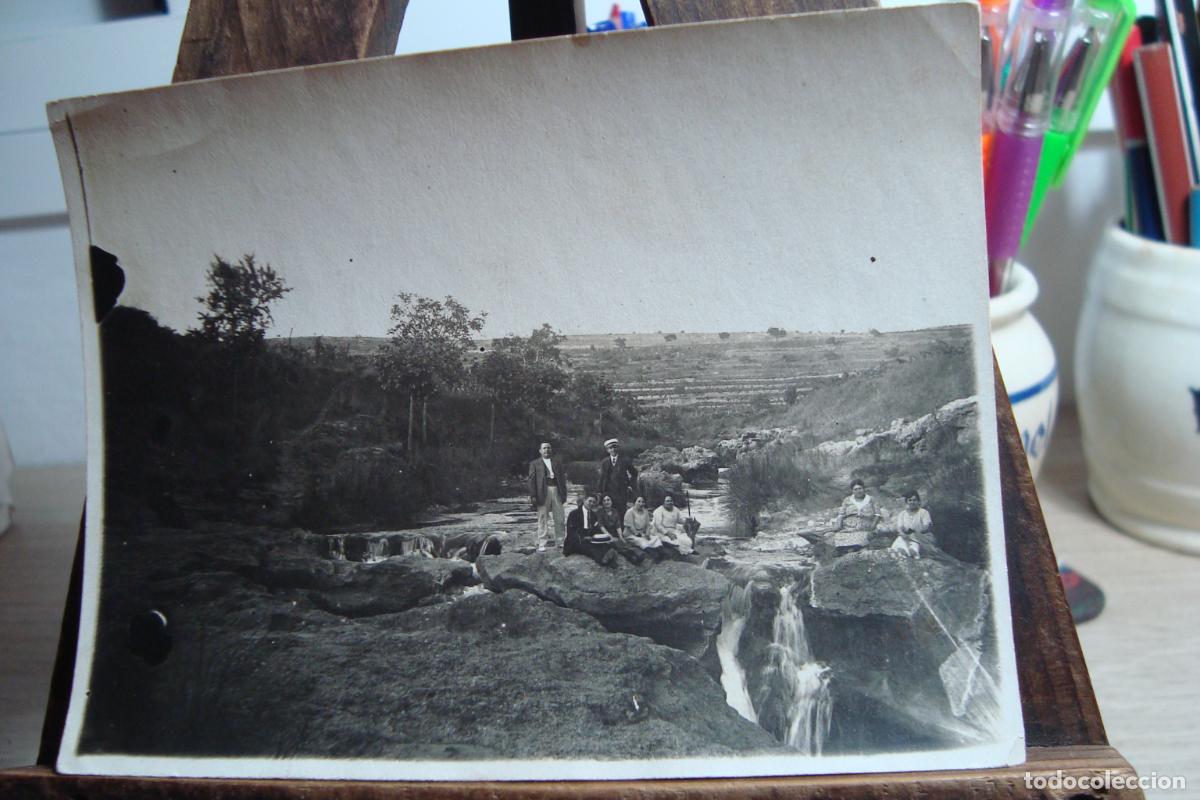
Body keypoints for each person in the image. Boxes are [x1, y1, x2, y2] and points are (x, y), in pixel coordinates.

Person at [527, 441, 567, 552]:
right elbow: (531, 480)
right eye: (544, 448)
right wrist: (533, 495)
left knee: (559, 518)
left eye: (548, 448)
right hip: (542, 492)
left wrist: (564, 494)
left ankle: (560, 542)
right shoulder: (535, 463)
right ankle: (542, 543)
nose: (547, 450)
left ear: (551, 450)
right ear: (540, 451)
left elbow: (562, 479)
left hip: (556, 490)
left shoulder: (557, 463)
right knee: (542, 518)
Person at [565, 495, 617, 566]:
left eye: (593, 502)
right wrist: (582, 538)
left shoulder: (593, 514)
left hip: (590, 537)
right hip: (577, 539)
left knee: (605, 544)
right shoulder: (574, 513)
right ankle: (602, 559)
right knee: (589, 547)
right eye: (590, 501)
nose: (591, 503)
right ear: (584, 500)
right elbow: (571, 531)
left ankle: (610, 558)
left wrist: (598, 537)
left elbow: (596, 529)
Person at [832, 478, 880, 555]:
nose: (858, 491)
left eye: (860, 488)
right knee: (838, 537)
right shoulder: (847, 500)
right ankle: (848, 550)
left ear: (864, 489)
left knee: (862, 539)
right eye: (855, 489)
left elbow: (877, 515)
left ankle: (853, 550)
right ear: (852, 491)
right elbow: (841, 515)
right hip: (849, 527)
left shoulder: (871, 499)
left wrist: (872, 526)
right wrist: (838, 526)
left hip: (864, 528)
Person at [597, 438, 639, 522]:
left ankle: (621, 528)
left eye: (614, 447)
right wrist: (600, 491)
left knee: (621, 511)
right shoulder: (604, 462)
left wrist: (630, 485)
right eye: (610, 448)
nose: (613, 450)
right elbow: (602, 477)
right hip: (608, 491)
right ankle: (612, 528)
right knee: (609, 511)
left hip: (621, 491)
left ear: (618, 448)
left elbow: (634, 473)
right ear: (607, 450)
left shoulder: (625, 460)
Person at [890, 490, 933, 558]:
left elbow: (927, 526)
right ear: (906, 502)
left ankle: (912, 552)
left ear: (918, 501)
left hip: (920, 537)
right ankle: (902, 552)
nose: (912, 502)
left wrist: (916, 532)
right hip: (906, 537)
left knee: (913, 549)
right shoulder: (902, 514)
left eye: (914, 500)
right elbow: (900, 528)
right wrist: (903, 534)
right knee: (898, 546)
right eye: (910, 500)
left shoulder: (924, 512)